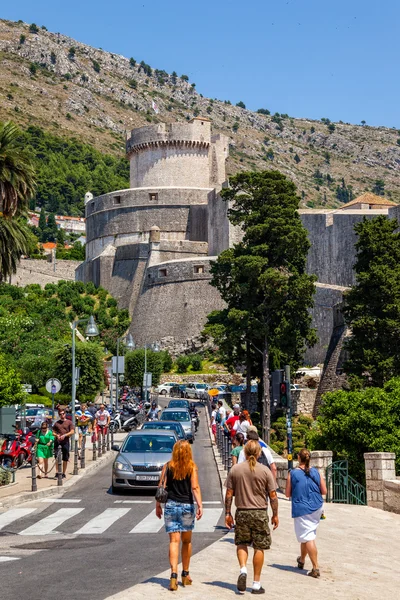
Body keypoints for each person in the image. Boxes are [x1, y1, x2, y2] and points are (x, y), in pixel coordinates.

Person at [225, 440, 279, 594]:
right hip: (260, 513)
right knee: (259, 547)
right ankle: (256, 583)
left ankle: (243, 570)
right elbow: (273, 496)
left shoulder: (235, 470)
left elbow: (229, 494)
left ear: (245, 452)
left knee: (241, 543)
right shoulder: (265, 471)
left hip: (242, 512)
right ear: (259, 453)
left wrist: (228, 513)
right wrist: (275, 515)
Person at [156, 440, 203, 591]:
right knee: (187, 541)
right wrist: (200, 505)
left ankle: (173, 575)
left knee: (174, 542)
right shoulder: (191, 467)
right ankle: (186, 574)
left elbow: (161, 487)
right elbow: (194, 487)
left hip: (170, 505)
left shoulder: (167, 466)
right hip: (186, 507)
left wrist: (158, 505)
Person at [285, 448, 327, 579]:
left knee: (308, 536)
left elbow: (287, 493)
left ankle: (315, 568)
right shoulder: (316, 472)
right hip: (317, 506)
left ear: (298, 458)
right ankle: (302, 560)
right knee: (306, 533)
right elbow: (324, 491)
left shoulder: (293, 473)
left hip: (302, 508)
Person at [52, 408, 74, 478]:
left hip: (65, 441)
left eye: (63, 414)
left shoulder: (69, 422)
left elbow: (72, 431)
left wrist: (65, 435)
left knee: (65, 458)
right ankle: (57, 472)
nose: (62, 415)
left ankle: (63, 472)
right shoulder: (57, 423)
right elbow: (53, 432)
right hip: (58, 441)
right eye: (60, 414)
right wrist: (57, 435)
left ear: (65, 414)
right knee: (56, 457)